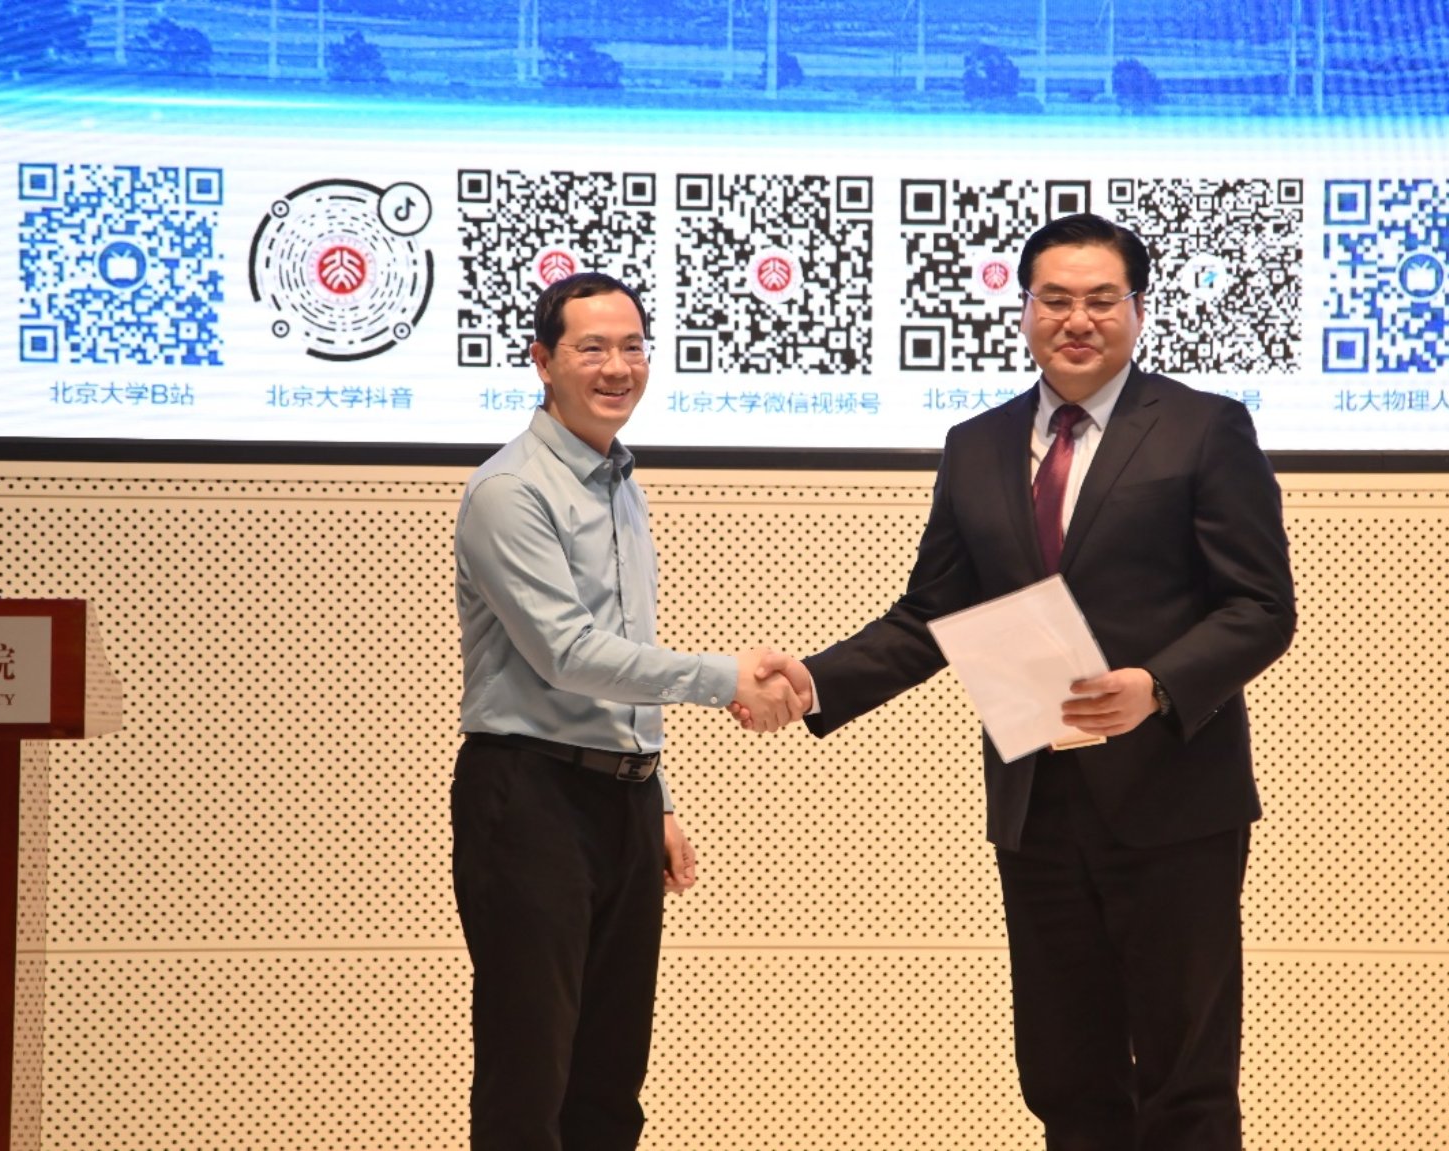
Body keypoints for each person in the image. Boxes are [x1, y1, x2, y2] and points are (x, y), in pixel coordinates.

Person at [745, 214, 1297, 1150]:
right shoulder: (976, 443)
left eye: (1100, 300)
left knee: (1185, 1083)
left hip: (1174, 803)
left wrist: (1156, 685)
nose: (1076, 320)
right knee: (1064, 1077)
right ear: (1025, 308)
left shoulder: (1204, 427)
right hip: (1036, 804)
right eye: (1055, 300)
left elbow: (1260, 606)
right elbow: (929, 614)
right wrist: (815, 678)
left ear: (1137, 310)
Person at [451, 271, 804, 1151]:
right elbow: (568, 654)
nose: (618, 367)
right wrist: (725, 677)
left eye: (633, 347)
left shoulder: (618, 478)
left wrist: (658, 795)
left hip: (621, 799)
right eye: (592, 348)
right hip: (529, 799)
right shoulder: (510, 490)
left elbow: (624, 650)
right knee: (529, 1078)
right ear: (542, 360)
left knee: (609, 1080)